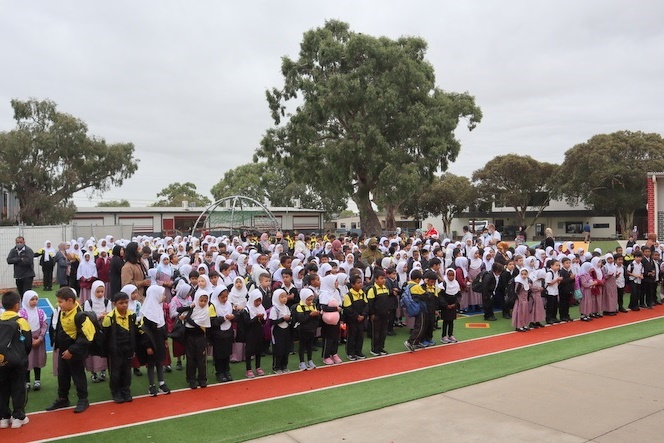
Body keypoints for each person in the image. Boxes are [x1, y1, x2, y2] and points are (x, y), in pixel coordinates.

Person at [45, 286, 95, 414]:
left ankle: (83, 399)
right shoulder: (63, 311)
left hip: (75, 353)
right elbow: (60, 329)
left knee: (78, 375)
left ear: (70, 300)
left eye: (60, 301)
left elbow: (87, 337)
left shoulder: (81, 316)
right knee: (62, 375)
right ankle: (63, 398)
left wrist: (72, 351)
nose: (58, 304)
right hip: (63, 351)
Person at [102, 290, 142, 404]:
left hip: (128, 349)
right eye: (121, 303)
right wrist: (107, 351)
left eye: (126, 302)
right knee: (115, 373)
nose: (124, 305)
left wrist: (134, 348)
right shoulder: (109, 318)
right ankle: (116, 392)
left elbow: (134, 333)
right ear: (114, 304)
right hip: (115, 350)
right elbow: (105, 336)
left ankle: (126, 390)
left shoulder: (132, 316)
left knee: (126, 371)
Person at [0, 290, 32, 429]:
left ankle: (3, 418)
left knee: (2, 388)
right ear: (17, 305)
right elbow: (28, 343)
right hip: (17, 361)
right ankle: (18, 417)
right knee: (18, 387)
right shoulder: (21, 321)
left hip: (1, 361)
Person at [137, 285, 171, 397]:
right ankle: (151, 385)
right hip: (151, 344)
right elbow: (145, 333)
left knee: (160, 362)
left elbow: (163, 326)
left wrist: (165, 339)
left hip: (160, 341)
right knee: (151, 364)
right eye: (162, 294)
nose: (164, 296)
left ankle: (161, 383)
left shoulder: (158, 308)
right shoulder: (147, 313)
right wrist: (148, 346)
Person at [177, 289, 213, 389]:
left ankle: (202, 379)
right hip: (189, 336)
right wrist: (189, 308)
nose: (203, 303)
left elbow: (195, 324)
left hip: (200, 337)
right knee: (190, 359)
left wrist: (186, 318)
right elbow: (179, 310)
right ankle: (191, 379)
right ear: (197, 299)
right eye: (201, 300)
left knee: (201, 359)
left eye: (205, 301)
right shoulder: (192, 308)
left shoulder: (205, 311)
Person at [18, 290, 47, 391]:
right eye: (32, 299)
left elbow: (44, 326)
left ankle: (37, 380)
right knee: (27, 361)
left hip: (38, 341)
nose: (35, 301)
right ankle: (27, 381)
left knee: (37, 360)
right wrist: (28, 340)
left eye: (36, 299)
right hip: (26, 342)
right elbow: (20, 329)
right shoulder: (21, 313)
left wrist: (40, 338)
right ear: (26, 300)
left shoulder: (40, 312)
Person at [84, 281, 112, 383]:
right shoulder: (88, 302)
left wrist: (104, 315)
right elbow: (87, 316)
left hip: (103, 330)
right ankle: (93, 373)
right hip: (92, 331)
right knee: (93, 351)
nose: (100, 294)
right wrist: (99, 316)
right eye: (98, 292)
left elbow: (109, 314)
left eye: (102, 291)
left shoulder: (106, 302)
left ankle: (103, 370)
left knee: (103, 350)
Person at [209, 287, 235, 382]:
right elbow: (212, 322)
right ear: (217, 296)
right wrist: (224, 318)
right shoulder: (213, 306)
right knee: (219, 354)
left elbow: (234, 314)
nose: (225, 299)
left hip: (228, 332)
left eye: (226, 297)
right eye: (222, 297)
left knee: (227, 353)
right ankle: (219, 372)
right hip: (218, 334)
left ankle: (226, 370)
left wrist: (233, 317)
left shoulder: (229, 304)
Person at [342, 274, 368, 361]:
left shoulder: (362, 294)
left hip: (361, 320)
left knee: (360, 336)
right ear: (353, 285)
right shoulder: (348, 296)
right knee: (351, 336)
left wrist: (363, 315)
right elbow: (348, 309)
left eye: (361, 282)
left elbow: (366, 305)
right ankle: (350, 353)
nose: (360, 284)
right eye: (358, 283)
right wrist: (357, 316)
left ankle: (358, 351)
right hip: (352, 320)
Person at [294, 288, 319, 371]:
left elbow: (317, 318)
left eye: (311, 300)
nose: (310, 302)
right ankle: (301, 362)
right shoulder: (299, 307)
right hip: (303, 330)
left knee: (310, 345)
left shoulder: (313, 305)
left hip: (311, 329)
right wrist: (310, 315)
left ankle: (310, 360)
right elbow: (301, 319)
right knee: (302, 346)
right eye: (308, 300)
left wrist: (317, 314)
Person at [367, 269, 390, 356]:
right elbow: (370, 304)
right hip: (376, 315)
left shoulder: (385, 288)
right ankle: (374, 349)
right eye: (381, 278)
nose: (383, 280)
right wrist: (372, 314)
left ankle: (381, 347)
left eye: (384, 278)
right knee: (375, 333)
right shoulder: (372, 290)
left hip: (384, 315)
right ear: (376, 280)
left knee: (383, 332)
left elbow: (387, 302)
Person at [244, 289, 266, 378]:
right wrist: (256, 318)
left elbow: (264, 322)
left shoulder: (261, 308)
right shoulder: (247, 309)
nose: (258, 303)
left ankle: (258, 367)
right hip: (250, 333)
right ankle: (248, 369)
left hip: (259, 332)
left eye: (260, 301)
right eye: (256, 301)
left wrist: (261, 318)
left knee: (258, 350)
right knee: (249, 351)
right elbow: (247, 323)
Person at [268, 289, 292, 374]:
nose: (284, 299)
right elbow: (272, 321)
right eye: (282, 297)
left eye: (285, 296)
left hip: (286, 330)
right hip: (277, 331)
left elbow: (289, 319)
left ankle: (284, 365)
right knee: (278, 349)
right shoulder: (274, 309)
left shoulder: (286, 308)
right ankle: (276, 367)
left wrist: (289, 319)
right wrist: (283, 319)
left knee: (286, 348)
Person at [439, 268, 460, 343]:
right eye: (449, 275)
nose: (451, 277)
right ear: (446, 275)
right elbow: (440, 296)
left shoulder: (456, 284)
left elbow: (458, 295)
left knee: (451, 321)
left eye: (452, 275)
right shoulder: (443, 285)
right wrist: (446, 305)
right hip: (446, 307)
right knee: (445, 321)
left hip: (453, 306)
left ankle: (450, 335)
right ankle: (444, 336)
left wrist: (455, 304)